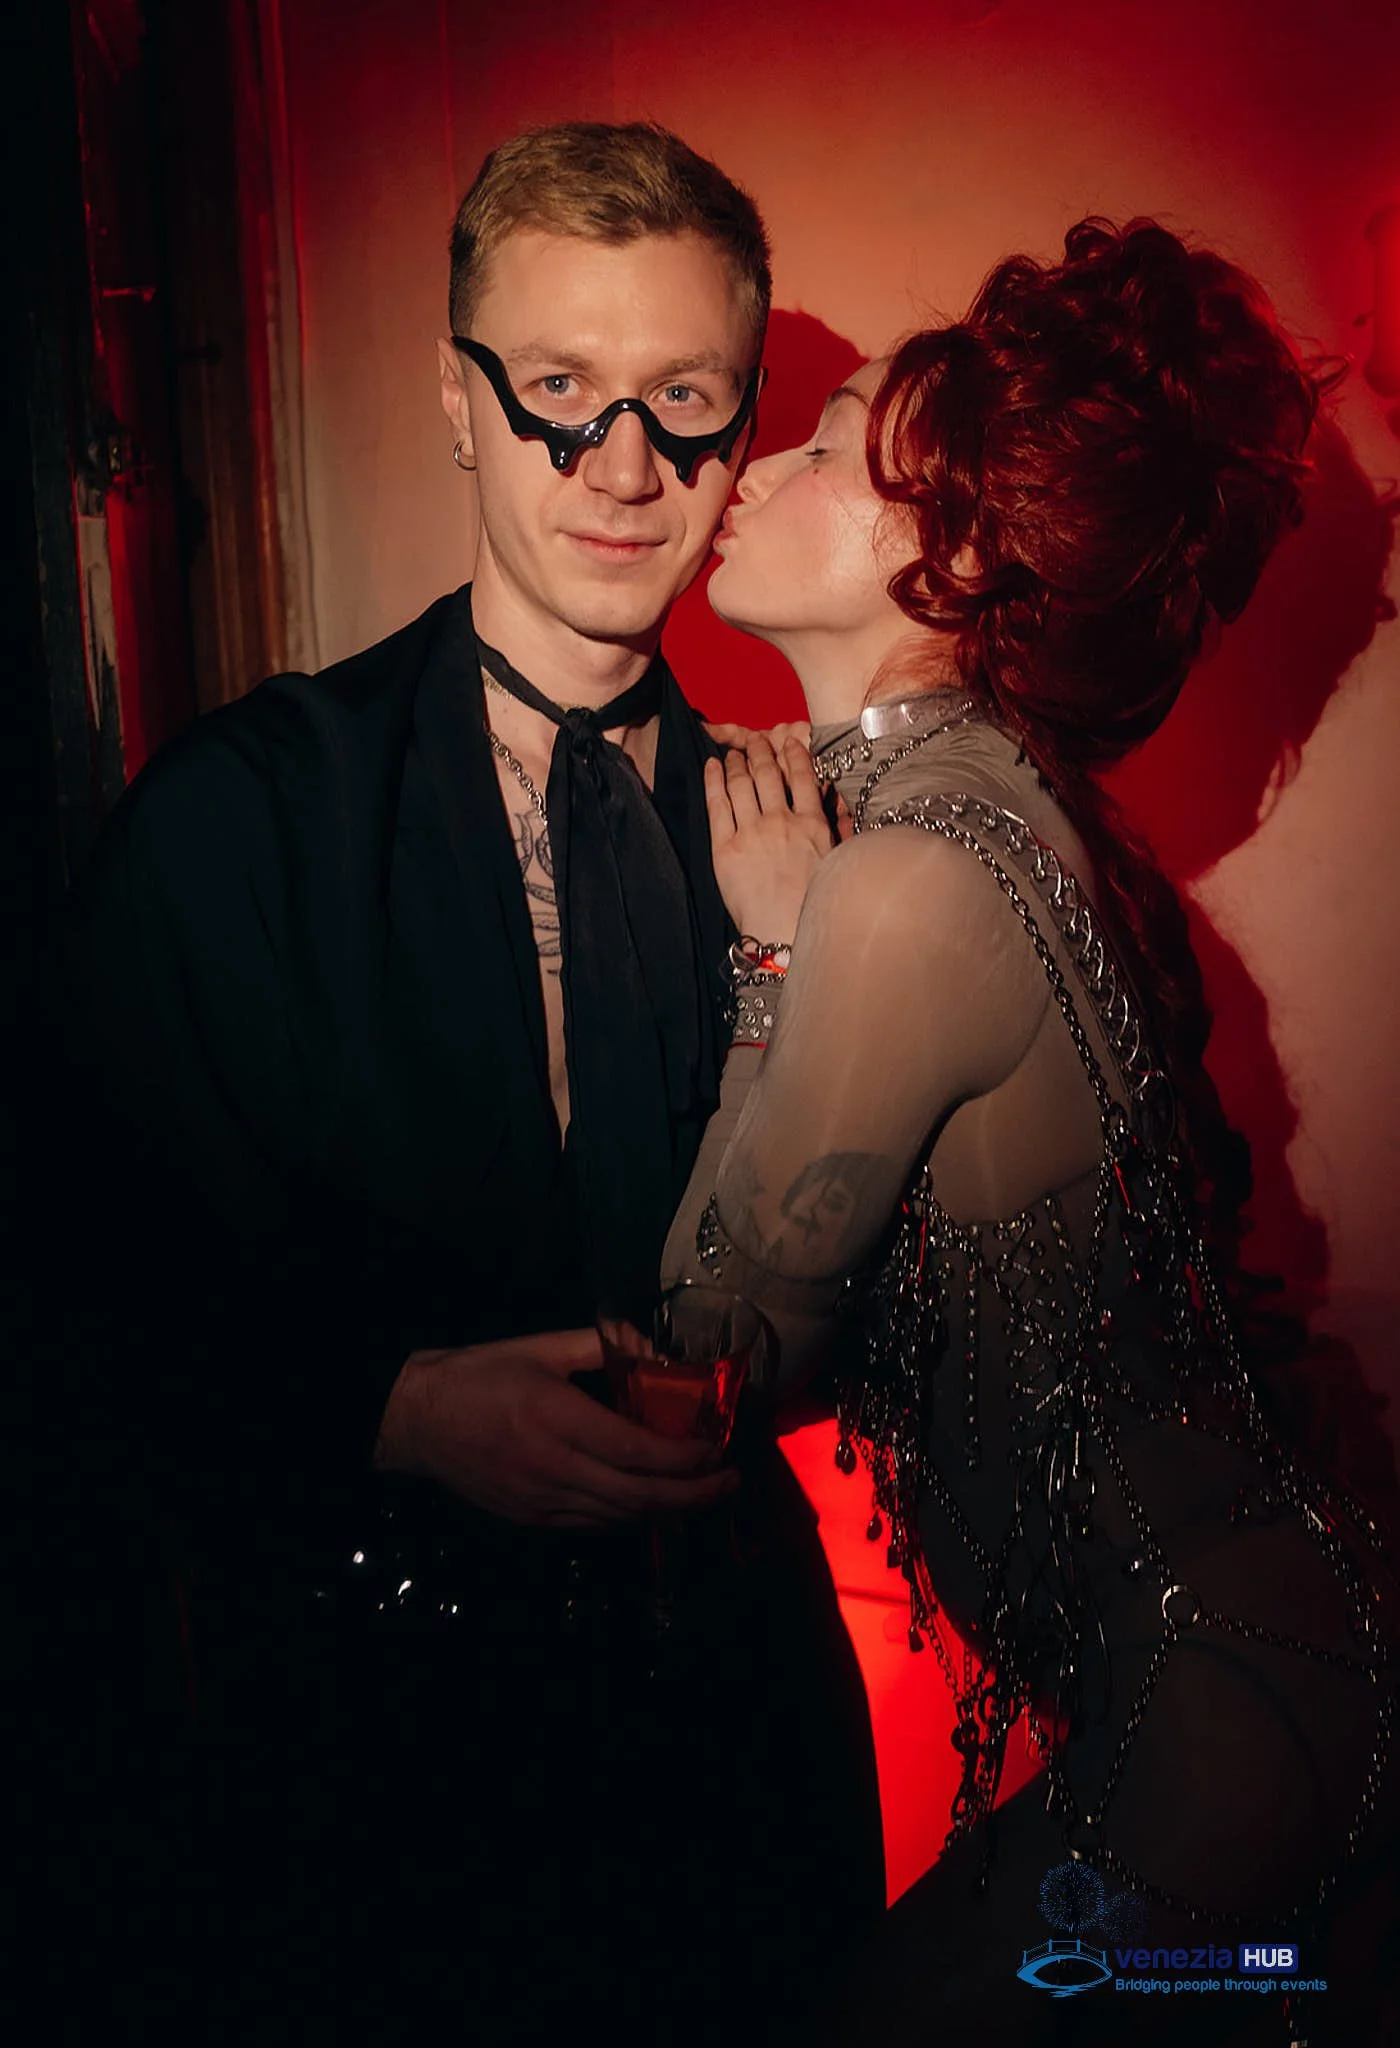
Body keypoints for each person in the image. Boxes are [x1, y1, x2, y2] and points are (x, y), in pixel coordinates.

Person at [35, 122, 883, 2046]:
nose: (623, 467)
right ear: (455, 398)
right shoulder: (239, 818)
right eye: (560, 388)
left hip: (729, 1772)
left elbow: (851, 1301)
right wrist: (394, 1408)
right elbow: (75, 1302)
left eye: (686, 400)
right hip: (366, 1794)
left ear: (744, 425)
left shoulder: (802, 835)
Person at [663, 218, 1400, 2044]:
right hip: (1270, 1683)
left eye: (826, 444)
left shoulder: (909, 882)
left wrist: (770, 959)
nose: (758, 466)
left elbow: (710, 1361)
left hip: (1234, 1717)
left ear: (965, 555)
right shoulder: (983, 810)